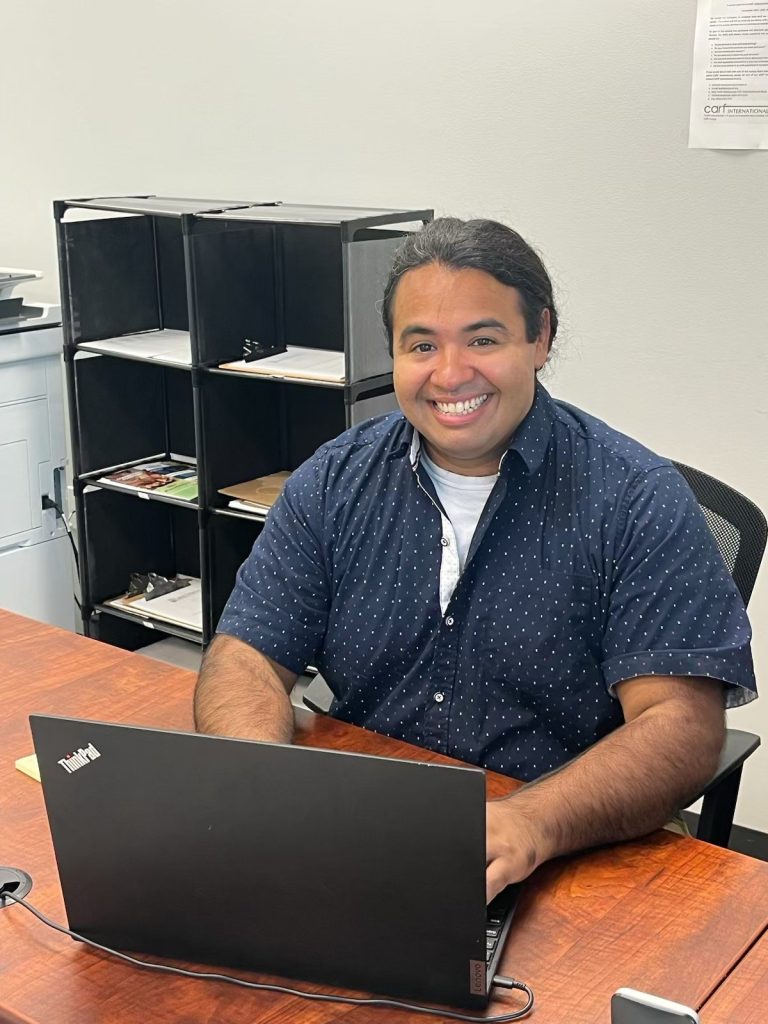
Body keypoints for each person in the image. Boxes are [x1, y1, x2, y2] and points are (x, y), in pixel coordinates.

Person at [195, 217, 756, 901]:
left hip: (568, 846)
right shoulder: (335, 480)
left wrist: (531, 823)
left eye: (483, 339)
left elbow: (682, 725)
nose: (450, 373)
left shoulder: (635, 499)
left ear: (540, 338)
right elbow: (246, 653)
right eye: (421, 344)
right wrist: (263, 780)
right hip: (364, 830)